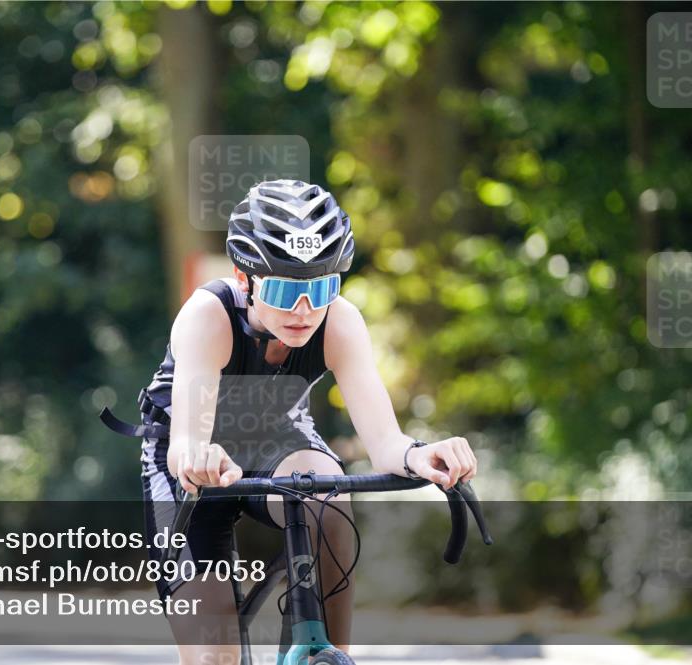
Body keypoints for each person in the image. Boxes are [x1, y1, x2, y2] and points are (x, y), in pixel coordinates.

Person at [103, 179, 479, 664]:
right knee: (214, 656)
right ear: (245, 278)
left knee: (328, 490)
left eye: (321, 288)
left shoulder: (339, 322)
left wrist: (418, 454)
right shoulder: (208, 316)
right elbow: (185, 444)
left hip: (276, 443)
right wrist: (198, 454)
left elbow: (387, 442)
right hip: (190, 466)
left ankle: (326, 655)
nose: (305, 311)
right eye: (283, 289)